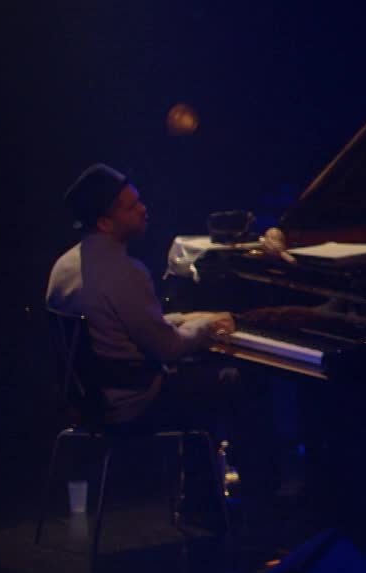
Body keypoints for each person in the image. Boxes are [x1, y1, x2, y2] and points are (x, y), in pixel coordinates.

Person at [45, 163, 235, 425]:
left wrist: (184, 318)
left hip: (86, 403)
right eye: (131, 207)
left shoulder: (64, 265)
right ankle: (209, 464)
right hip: (135, 404)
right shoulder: (124, 272)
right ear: (104, 223)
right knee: (235, 379)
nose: (143, 209)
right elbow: (170, 348)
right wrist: (207, 324)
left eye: (139, 201)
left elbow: (123, 329)